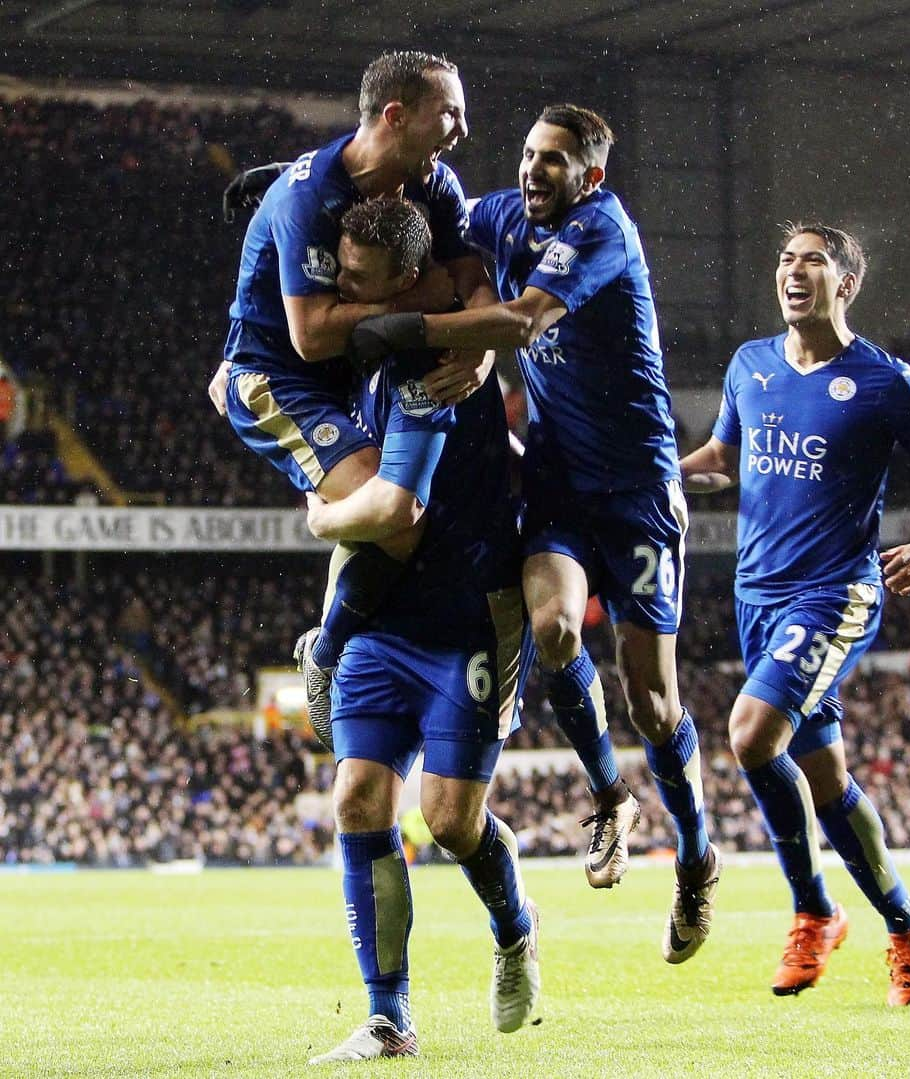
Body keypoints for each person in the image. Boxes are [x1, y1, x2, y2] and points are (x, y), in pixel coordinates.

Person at [346, 104, 720, 961]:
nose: (531, 170)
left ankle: (697, 857)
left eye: (552, 161)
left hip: (637, 496)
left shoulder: (602, 231)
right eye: (526, 154)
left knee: (655, 706)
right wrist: (298, 187)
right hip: (556, 482)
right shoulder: (501, 213)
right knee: (551, 626)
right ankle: (609, 796)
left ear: (589, 176)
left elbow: (521, 322)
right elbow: (425, 200)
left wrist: (396, 331)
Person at [679, 222, 910, 1005]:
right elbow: (722, 463)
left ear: (846, 283)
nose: (792, 271)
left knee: (748, 734)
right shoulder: (750, 366)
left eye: (812, 260)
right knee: (826, 776)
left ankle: (814, 909)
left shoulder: (887, 381)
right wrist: (658, 482)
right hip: (756, 597)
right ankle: (906, 920)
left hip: (836, 592)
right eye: (784, 259)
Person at [304, 197, 539, 1062]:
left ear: (406, 281)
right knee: (359, 797)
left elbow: (397, 510)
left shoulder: (441, 354)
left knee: (449, 821)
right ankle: (387, 1014)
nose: (339, 295)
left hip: (465, 611)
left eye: (358, 282)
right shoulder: (355, 346)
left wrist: (321, 521)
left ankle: (515, 928)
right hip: (382, 617)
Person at [209, 50, 493, 744]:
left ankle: (355, 645)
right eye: (448, 112)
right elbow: (308, 337)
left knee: (411, 510)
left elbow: (472, 278)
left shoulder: (433, 185)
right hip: (279, 379)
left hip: (351, 375)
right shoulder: (309, 194)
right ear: (395, 116)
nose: (462, 127)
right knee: (394, 511)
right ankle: (328, 652)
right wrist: (422, 304)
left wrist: (481, 344)